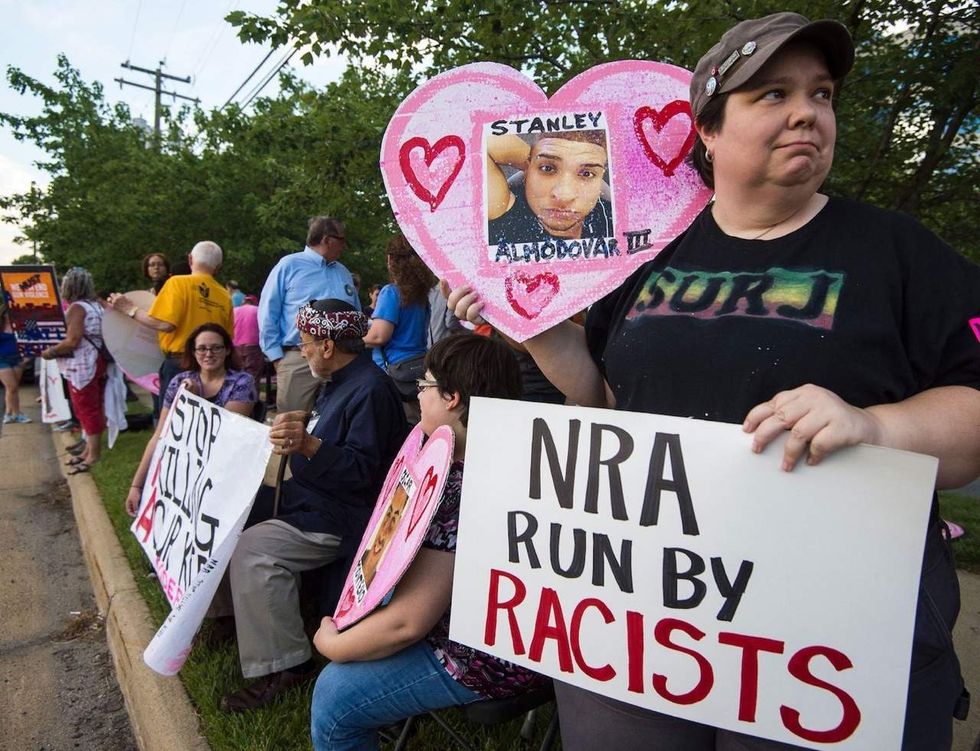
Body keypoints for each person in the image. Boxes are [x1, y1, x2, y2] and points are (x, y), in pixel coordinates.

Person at [450, 13, 980, 750]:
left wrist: (878, 426)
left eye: (821, 94)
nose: (807, 112)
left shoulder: (898, 252)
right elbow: (605, 397)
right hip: (642, 637)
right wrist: (532, 327)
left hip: (828, 653)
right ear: (707, 130)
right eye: (773, 94)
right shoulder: (646, 257)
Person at [309, 334, 547, 750]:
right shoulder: (511, 457)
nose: (418, 394)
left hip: (487, 655)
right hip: (518, 636)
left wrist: (333, 644)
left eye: (424, 384)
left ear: (452, 398)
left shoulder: (459, 485)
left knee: (334, 697)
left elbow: (408, 623)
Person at [221, 299, 407, 713]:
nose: (301, 350)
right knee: (233, 511)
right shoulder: (341, 381)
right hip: (313, 498)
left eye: (305, 342)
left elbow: (362, 474)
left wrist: (307, 445)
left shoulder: (370, 390)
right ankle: (225, 618)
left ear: (327, 345)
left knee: (255, 550)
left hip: (342, 517)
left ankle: (286, 664)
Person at [123, 323, 256, 516]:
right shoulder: (179, 382)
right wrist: (137, 485)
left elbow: (222, 435)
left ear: (227, 350)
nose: (208, 354)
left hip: (223, 468)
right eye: (202, 348)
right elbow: (159, 435)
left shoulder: (242, 382)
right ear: (193, 352)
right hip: (183, 467)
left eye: (216, 348)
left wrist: (192, 402)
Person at [108, 241, 234, 417]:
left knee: (172, 421)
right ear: (218, 267)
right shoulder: (224, 295)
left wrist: (129, 309)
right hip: (213, 366)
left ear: (190, 259)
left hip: (180, 364)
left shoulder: (176, 283)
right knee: (202, 421)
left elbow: (164, 324)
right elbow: (228, 338)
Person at [259, 216, 361, 413]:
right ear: (326, 239)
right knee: (292, 423)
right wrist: (277, 358)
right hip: (299, 358)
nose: (345, 246)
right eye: (342, 240)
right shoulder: (288, 265)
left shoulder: (343, 272)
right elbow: (267, 312)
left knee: (339, 419)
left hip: (341, 359)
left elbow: (355, 314)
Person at [487, 130, 613, 245]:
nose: (564, 196)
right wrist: (531, 162)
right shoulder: (505, 212)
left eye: (587, 174)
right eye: (547, 168)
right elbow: (485, 140)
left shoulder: (612, 219)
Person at [40, 268, 110, 472]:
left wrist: (51, 351)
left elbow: (72, 340)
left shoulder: (77, 308)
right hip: (96, 360)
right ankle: (88, 450)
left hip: (82, 365)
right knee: (94, 406)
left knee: (86, 409)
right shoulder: (95, 306)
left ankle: (93, 455)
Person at [363, 235, 434, 424]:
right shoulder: (421, 296)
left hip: (393, 371)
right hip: (419, 366)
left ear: (390, 260)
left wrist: (353, 341)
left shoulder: (391, 292)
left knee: (398, 425)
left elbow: (379, 336)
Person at [0, 303, 31, 424]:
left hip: (17, 358)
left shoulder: (20, 326)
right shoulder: (1, 326)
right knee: (11, 386)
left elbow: (28, 341)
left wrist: (27, 357)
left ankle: (11, 413)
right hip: (2, 359)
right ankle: (14, 413)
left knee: (13, 388)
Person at [233, 294, 264, 387]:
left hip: (236, 346)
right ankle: (251, 395)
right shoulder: (258, 310)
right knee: (253, 375)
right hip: (253, 346)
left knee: (237, 374)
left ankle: (238, 394)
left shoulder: (234, 310)